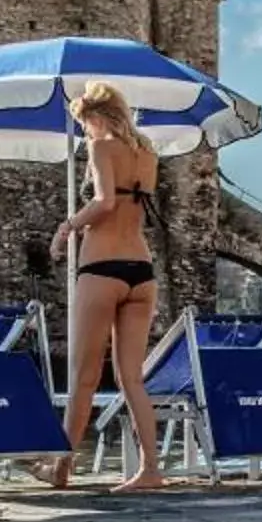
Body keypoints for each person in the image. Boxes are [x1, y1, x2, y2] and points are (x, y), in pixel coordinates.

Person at [30, 82, 167, 493]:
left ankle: (61, 468)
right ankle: (151, 470)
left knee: (83, 377)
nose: (85, 131)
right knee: (132, 379)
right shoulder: (148, 153)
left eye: (83, 123)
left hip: (102, 267)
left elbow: (106, 201)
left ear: (96, 117)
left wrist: (66, 227)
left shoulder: (102, 147)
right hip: (142, 271)